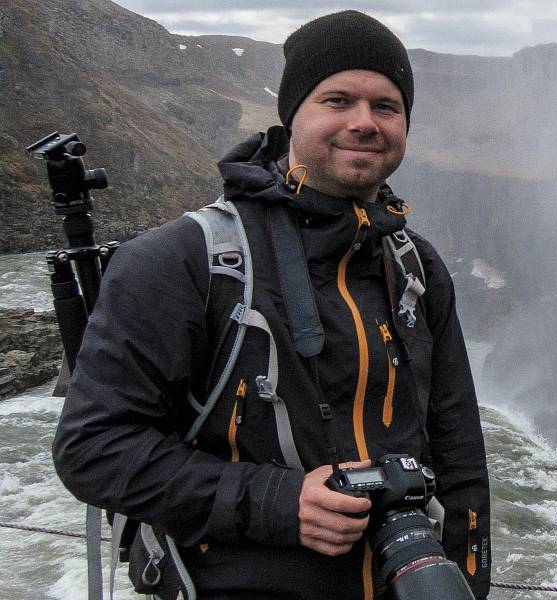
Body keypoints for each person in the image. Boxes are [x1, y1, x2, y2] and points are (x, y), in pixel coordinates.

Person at [53, 10, 491, 600]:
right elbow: (93, 450)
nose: (364, 122)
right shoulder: (181, 260)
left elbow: (458, 447)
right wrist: (279, 502)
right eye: (337, 100)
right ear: (292, 117)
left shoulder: (416, 265)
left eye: (386, 106)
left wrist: (468, 578)